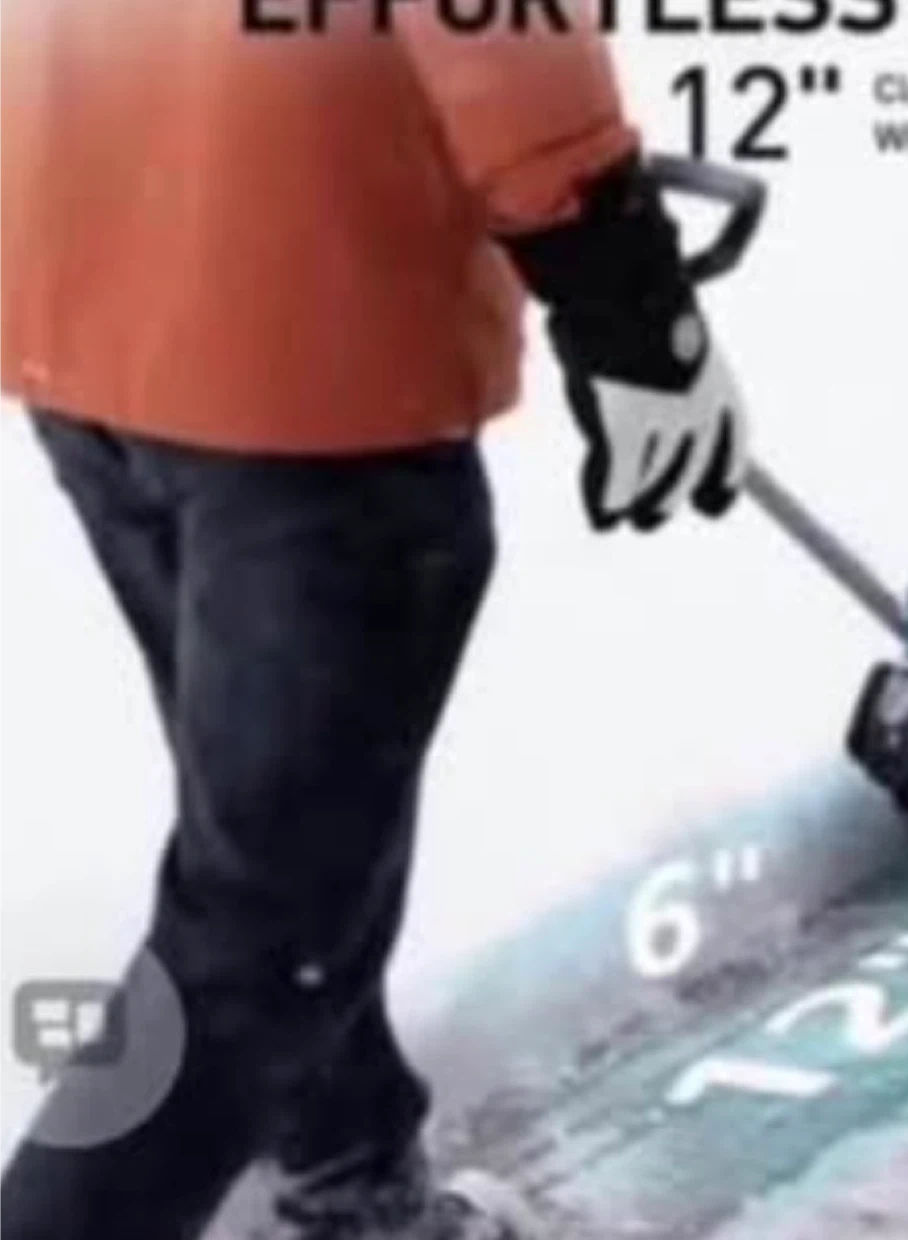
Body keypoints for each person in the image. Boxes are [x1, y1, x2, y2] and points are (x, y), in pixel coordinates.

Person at [0, 1, 748, 1237]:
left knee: (279, 850)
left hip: (86, 295)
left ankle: (354, 1188)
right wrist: (631, 304)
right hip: (313, 353)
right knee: (267, 917)